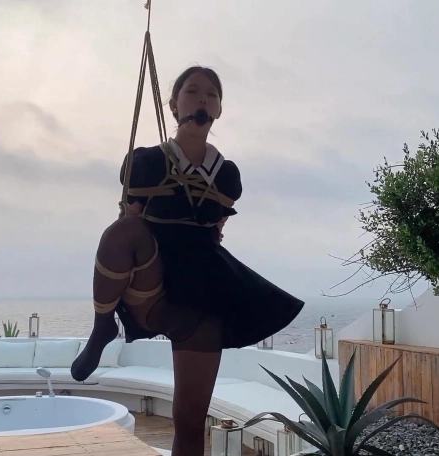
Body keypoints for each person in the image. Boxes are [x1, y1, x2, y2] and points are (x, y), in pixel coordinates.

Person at [71, 65, 305, 455]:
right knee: (123, 231)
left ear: (219, 110)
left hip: (201, 289)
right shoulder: (147, 162)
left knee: (190, 421)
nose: (203, 100)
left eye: (211, 95)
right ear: (174, 105)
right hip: (153, 279)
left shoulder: (226, 175)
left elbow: (217, 230)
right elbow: (129, 220)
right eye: (193, 91)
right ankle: (102, 325)